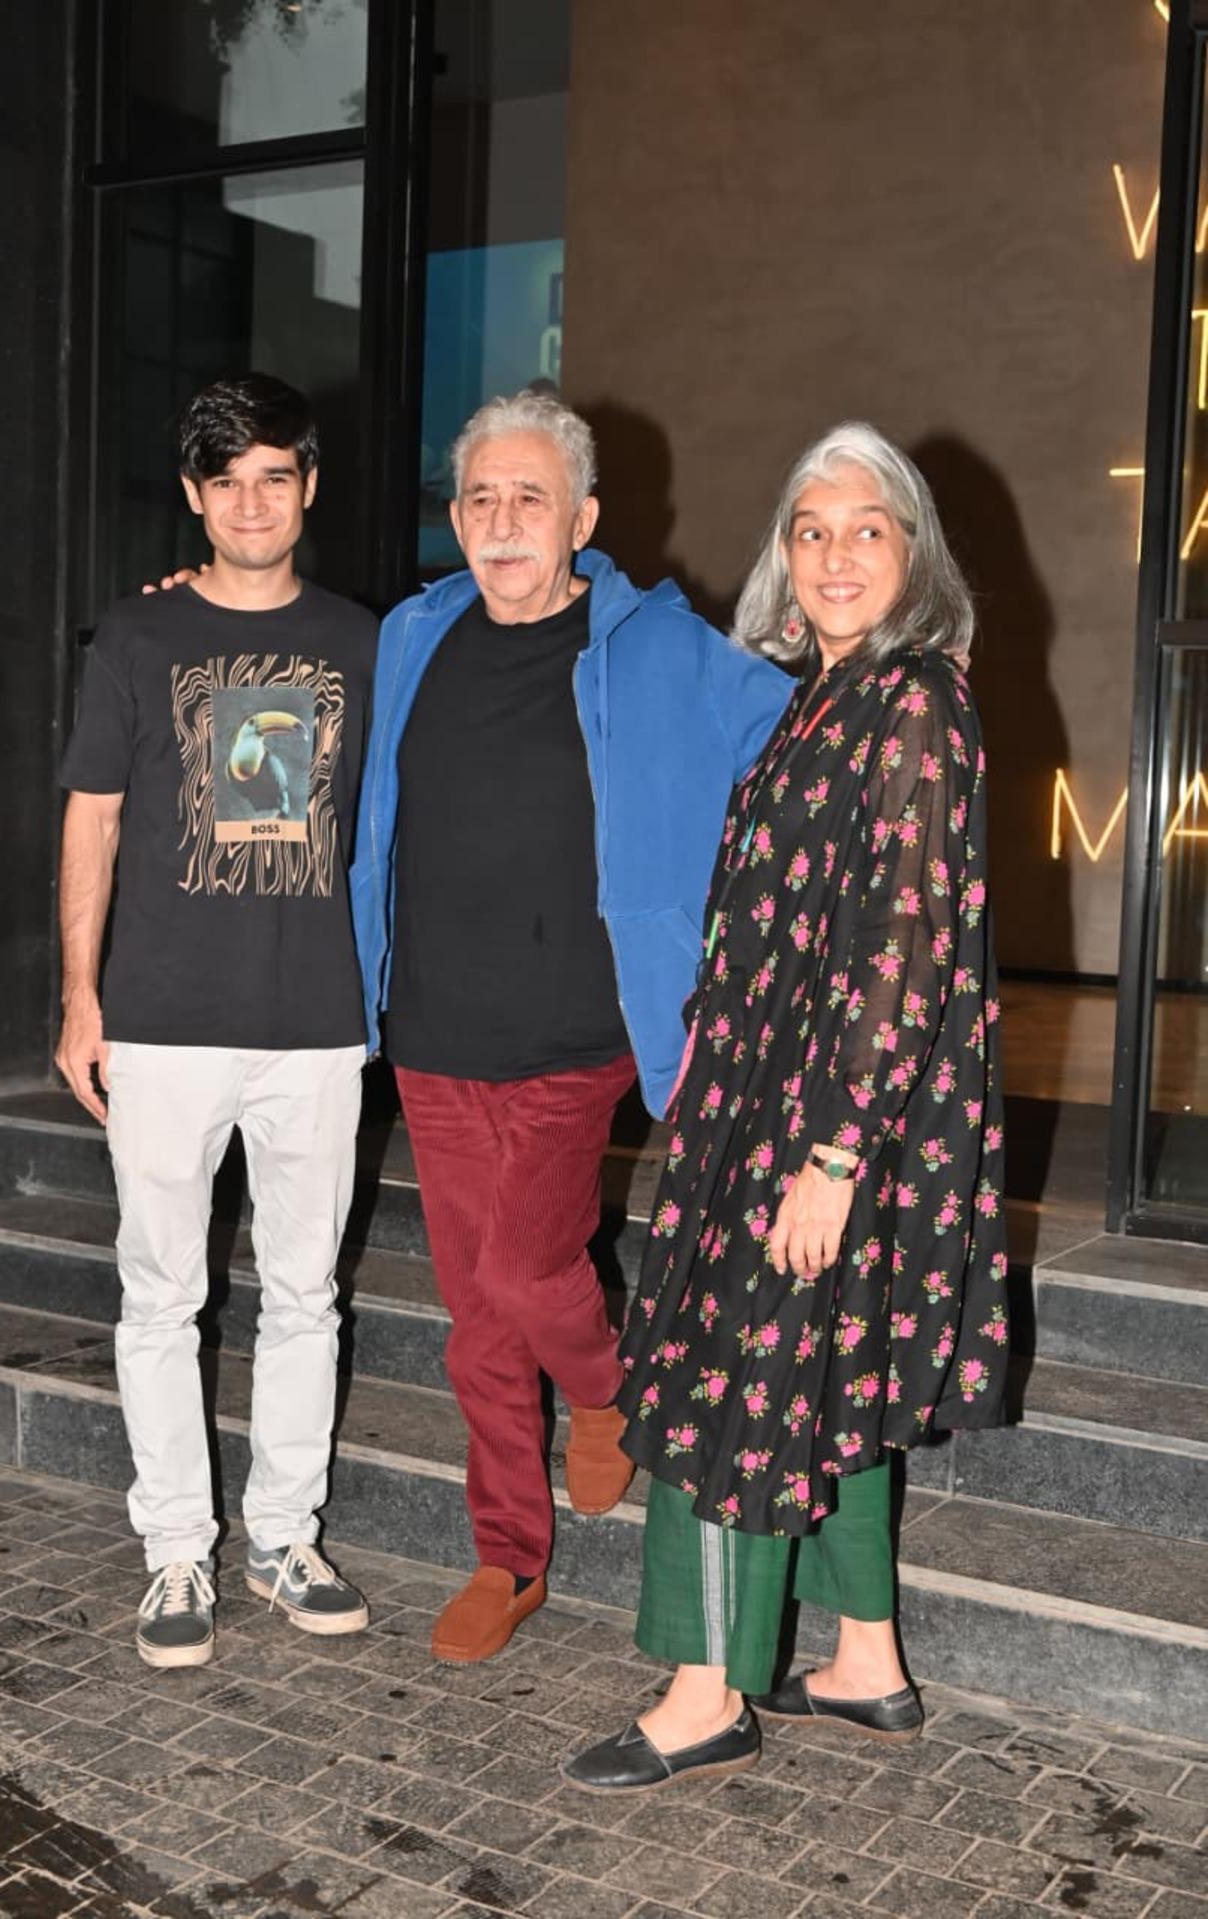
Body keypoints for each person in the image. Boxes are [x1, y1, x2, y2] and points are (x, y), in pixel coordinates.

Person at [564, 422, 1008, 1793]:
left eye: (865, 526)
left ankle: (706, 1689)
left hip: (823, 1115)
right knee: (826, 1373)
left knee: (726, 1374)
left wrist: (830, 1153)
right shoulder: (822, 696)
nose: (833, 552)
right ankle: (865, 1654)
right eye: (809, 529)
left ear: (913, 549)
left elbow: (905, 937)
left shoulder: (917, 702)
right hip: (766, 1095)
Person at [352, 389, 792, 1663]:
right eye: (479, 498)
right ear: (455, 516)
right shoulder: (412, 632)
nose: (500, 522)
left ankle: (605, 1389)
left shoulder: (653, 644)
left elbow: (787, 728)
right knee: (476, 1313)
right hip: (433, 1026)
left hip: (579, 1026)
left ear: (582, 517)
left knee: (519, 1271)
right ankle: (506, 1554)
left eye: (528, 497)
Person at [56, 373, 376, 1669]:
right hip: (165, 1019)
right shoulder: (135, 642)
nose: (252, 500)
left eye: (276, 474)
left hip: (316, 1020)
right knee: (161, 1292)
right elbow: (93, 813)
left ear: (309, 484)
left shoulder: (367, 640)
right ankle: (175, 1547)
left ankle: (284, 1532)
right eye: (226, 477)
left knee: (307, 1293)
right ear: (193, 495)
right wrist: (82, 993)